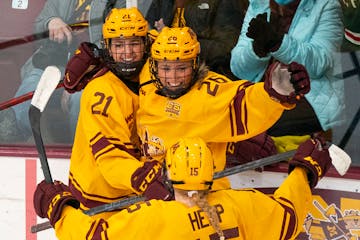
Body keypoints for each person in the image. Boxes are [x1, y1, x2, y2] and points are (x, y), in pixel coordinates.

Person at [33, 136, 333, 239]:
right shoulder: (241, 205)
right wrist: (305, 172)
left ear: (168, 175)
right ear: (211, 174)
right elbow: (289, 216)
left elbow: (89, 236)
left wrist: (60, 208)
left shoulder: (149, 218)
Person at [136, 26, 311, 190]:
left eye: (182, 68)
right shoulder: (148, 78)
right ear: (154, 65)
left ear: (195, 64)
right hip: (152, 188)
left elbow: (244, 101)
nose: (172, 77)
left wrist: (275, 92)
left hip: (198, 193)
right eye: (166, 68)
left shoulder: (208, 95)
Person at [64, 8, 171, 219]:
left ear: (146, 44)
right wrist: (146, 178)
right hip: (100, 199)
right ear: (108, 48)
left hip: (138, 191)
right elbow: (112, 159)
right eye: (119, 45)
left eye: (134, 44)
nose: (128, 53)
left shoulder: (155, 68)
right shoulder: (101, 93)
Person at [0, 0, 151, 143]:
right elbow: (40, 23)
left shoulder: (122, 3)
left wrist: (77, 78)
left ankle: (80, 149)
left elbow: (121, 51)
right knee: (33, 82)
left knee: (81, 98)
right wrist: (51, 21)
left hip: (97, 70)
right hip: (58, 64)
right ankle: (12, 140)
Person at [230, 0, 345, 152]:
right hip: (265, 93)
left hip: (311, 97)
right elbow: (238, 67)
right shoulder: (259, 4)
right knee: (227, 117)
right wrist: (257, 50)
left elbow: (320, 63)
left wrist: (278, 44)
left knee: (253, 124)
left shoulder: (327, 5)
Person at [145, 0, 248, 80]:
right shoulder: (162, 2)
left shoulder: (226, 2)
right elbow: (145, 38)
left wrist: (183, 44)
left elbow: (228, 49)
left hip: (207, 76)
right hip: (162, 76)